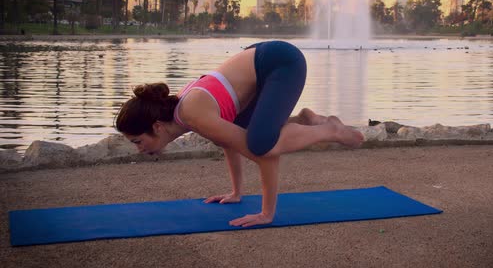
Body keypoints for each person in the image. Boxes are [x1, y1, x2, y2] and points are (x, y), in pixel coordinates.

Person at [115, 40, 364, 227]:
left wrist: (266, 213)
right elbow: (228, 140)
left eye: (138, 141)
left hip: (280, 62)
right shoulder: (185, 113)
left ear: (157, 126)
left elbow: (265, 156)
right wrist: (236, 193)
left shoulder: (192, 114)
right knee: (251, 135)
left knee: (261, 145)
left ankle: (329, 129)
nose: (139, 148)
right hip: (260, 62)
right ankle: (305, 120)